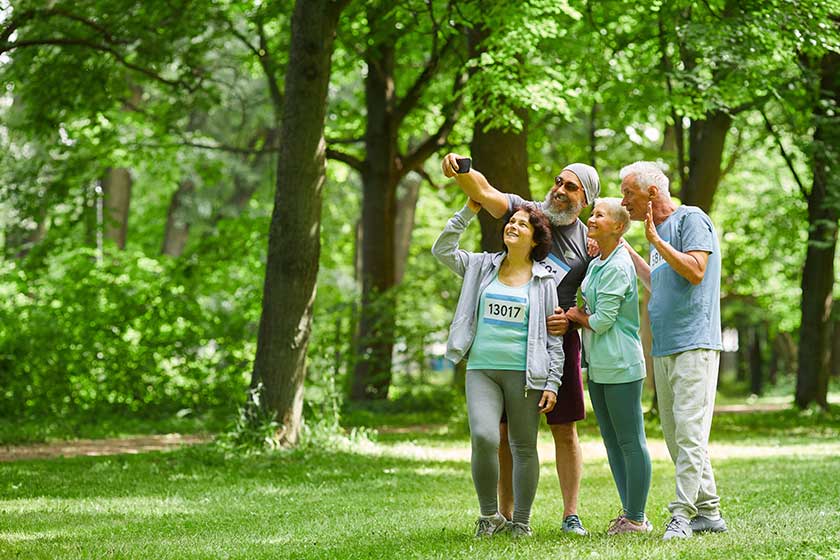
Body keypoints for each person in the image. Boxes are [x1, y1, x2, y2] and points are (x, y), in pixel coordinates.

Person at [441, 153, 600, 536]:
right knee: (500, 431)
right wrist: (461, 169)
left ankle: (570, 514)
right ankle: (506, 514)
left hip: (556, 338)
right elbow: (483, 190)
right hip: (507, 346)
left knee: (564, 429)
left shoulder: (589, 241)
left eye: (570, 187)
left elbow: (602, 291)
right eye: (558, 182)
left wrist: (574, 315)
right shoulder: (528, 212)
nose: (559, 190)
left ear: (586, 199)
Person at [432, 198, 563, 538]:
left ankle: (521, 521)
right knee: (484, 436)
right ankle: (489, 516)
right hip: (482, 369)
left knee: (523, 445)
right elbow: (442, 249)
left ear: (535, 240)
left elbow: (553, 339)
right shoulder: (480, 266)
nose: (513, 226)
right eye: (511, 221)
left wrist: (553, 382)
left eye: (522, 224)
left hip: (525, 374)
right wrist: (467, 211)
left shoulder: (544, 281)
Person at [619, 161, 727, 540]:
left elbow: (696, 270)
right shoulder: (656, 233)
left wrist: (657, 243)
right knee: (676, 433)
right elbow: (657, 282)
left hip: (695, 341)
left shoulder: (690, 219)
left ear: (652, 192)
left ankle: (681, 514)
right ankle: (709, 512)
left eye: (628, 192)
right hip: (664, 347)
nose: (623, 200)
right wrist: (626, 248)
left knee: (690, 432)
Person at [565, 198, 652, 535]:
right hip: (599, 364)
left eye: (599, 214)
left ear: (618, 227)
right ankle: (629, 515)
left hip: (621, 364)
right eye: (592, 214)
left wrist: (575, 316)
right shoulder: (601, 260)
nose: (592, 218)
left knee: (630, 440)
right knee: (612, 441)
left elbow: (601, 321)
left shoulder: (618, 266)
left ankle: (636, 517)